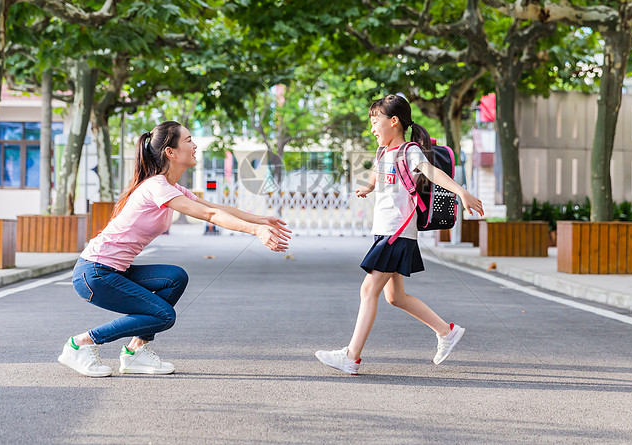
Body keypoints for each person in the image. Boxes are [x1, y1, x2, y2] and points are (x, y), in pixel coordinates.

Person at [58, 120, 291, 377]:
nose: (195, 145)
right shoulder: (156, 187)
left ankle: (135, 352)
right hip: (95, 274)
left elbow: (217, 208)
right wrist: (255, 231)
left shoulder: (171, 188)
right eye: (189, 140)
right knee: (163, 315)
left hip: (114, 272)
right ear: (171, 151)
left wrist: (260, 220)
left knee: (174, 278)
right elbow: (210, 214)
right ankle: (81, 344)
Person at [315, 95, 484, 375]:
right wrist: (368, 188)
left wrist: (461, 191)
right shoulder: (383, 153)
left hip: (397, 232)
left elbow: (432, 173)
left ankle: (351, 356)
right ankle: (447, 331)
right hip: (384, 231)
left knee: (368, 290)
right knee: (395, 297)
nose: (372, 129)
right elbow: (376, 174)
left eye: (375, 122)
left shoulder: (410, 151)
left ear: (393, 121)